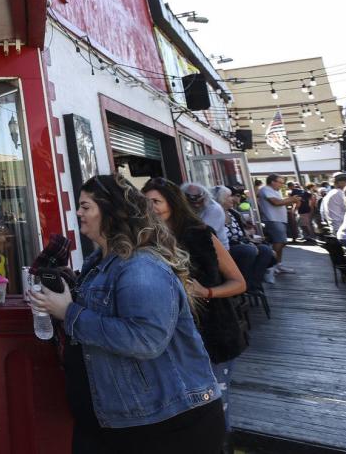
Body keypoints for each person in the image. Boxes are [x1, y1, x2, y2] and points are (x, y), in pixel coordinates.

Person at [30, 174, 222, 454]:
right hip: (122, 421)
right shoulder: (100, 264)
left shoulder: (141, 267)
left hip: (165, 425)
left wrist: (68, 312)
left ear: (110, 211)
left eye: (86, 206)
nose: (79, 213)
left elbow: (145, 339)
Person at [143, 178, 247, 432]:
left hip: (212, 336)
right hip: (169, 341)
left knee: (214, 409)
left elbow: (239, 283)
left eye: (156, 201)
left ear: (172, 203)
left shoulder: (199, 234)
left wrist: (207, 291)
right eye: (144, 203)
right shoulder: (144, 239)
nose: (150, 208)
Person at [214, 185, 277, 288]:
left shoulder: (233, 213)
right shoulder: (215, 214)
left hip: (241, 244)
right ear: (221, 199)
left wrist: (251, 239)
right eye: (229, 196)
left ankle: (252, 284)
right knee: (249, 250)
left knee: (265, 249)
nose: (233, 199)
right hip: (226, 249)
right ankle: (241, 282)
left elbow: (242, 234)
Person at [258, 175, 298, 273]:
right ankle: (271, 265)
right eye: (280, 182)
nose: (282, 185)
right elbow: (275, 202)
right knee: (279, 242)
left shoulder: (275, 191)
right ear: (272, 182)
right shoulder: (265, 189)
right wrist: (291, 199)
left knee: (281, 242)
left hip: (279, 219)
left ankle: (277, 264)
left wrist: (290, 200)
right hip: (272, 219)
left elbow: (280, 202)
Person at [182, 182, 228, 250]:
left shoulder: (214, 208)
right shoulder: (184, 208)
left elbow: (202, 234)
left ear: (206, 197)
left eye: (200, 201)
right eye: (192, 203)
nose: (196, 205)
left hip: (217, 249)